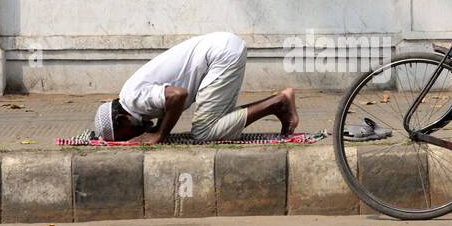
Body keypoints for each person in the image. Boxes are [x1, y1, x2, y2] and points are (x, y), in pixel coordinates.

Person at [93, 32, 298, 145]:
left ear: (122, 120)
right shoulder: (132, 97)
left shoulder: (134, 99)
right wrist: (157, 128)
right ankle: (278, 103)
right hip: (223, 50)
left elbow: (178, 95)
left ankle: (278, 103)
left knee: (204, 132)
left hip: (220, 55)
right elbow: (170, 99)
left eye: (125, 135)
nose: (131, 137)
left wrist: (159, 135)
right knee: (218, 123)